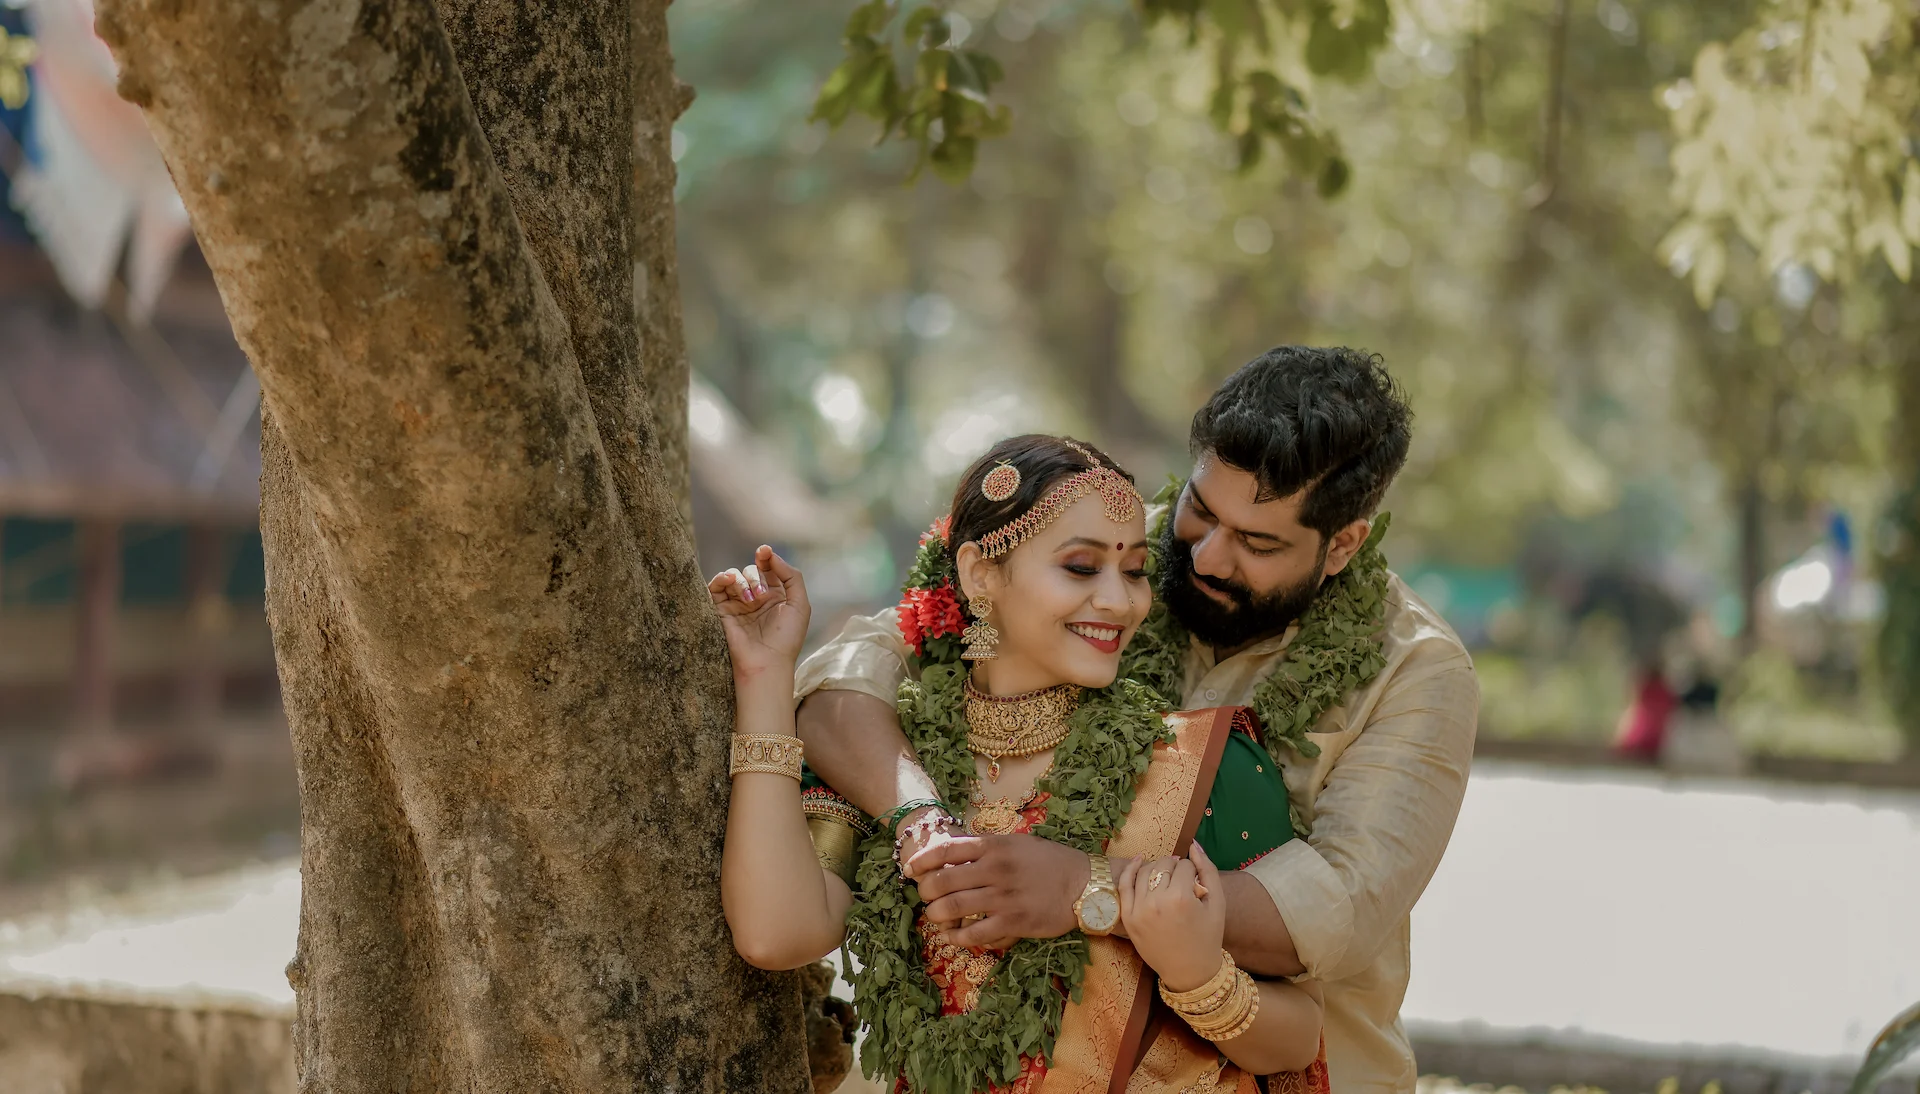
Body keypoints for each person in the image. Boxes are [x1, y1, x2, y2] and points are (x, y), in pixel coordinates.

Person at [796, 346, 1480, 1093]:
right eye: (1202, 509)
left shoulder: (1416, 670)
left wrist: (1088, 889)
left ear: (1343, 543)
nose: (1211, 557)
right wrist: (918, 812)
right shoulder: (1113, 556)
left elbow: (1335, 911)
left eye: (1259, 543)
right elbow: (850, 673)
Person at [715, 435, 1329, 1093]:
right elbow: (778, 933)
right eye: (1081, 567)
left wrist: (1199, 973)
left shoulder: (1201, 768)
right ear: (980, 574)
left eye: (1134, 571)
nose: (1121, 603)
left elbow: (1299, 1037)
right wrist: (763, 673)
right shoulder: (892, 751)